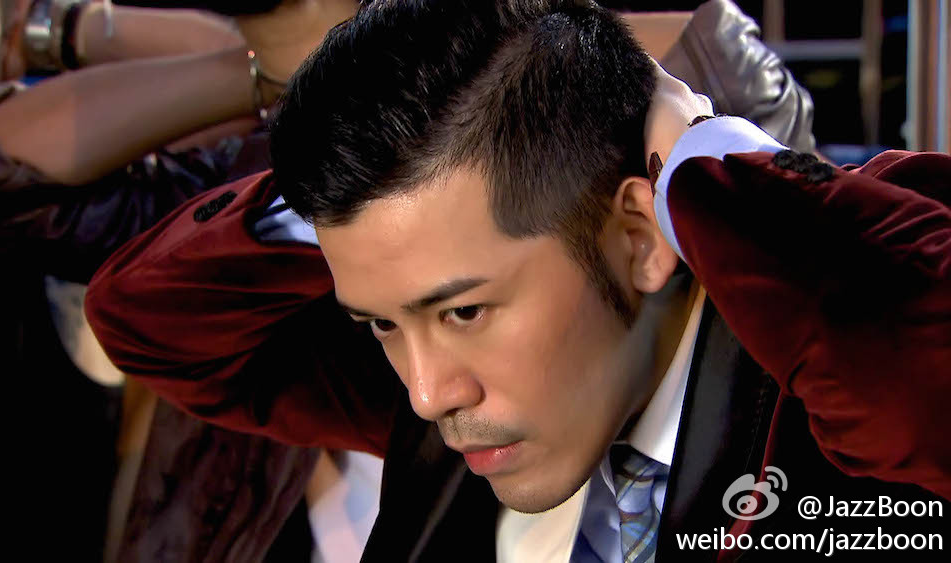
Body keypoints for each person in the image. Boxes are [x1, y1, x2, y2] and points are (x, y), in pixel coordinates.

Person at [85, 1, 950, 562]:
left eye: (464, 309)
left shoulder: (834, 383)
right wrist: (386, 198)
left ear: (639, 233)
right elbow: (147, 315)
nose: (427, 393)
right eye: (381, 324)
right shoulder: (461, 408)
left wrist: (698, 161)